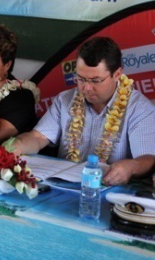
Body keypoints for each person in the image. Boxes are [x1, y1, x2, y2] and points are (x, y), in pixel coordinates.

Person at [12, 37, 155, 186]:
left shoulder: (139, 109)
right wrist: (17, 146)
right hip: (63, 187)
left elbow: (148, 159)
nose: (86, 88)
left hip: (108, 192)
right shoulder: (65, 100)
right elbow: (38, 137)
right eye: (80, 78)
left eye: (95, 80)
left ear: (117, 74)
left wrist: (131, 167)